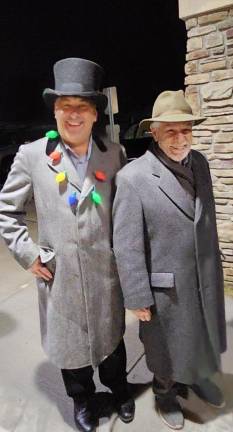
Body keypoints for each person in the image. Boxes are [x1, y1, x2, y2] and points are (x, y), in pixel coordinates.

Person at [0, 57, 135, 432]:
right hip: (60, 276)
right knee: (70, 347)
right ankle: (82, 400)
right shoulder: (32, 156)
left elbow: (126, 211)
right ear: (55, 112)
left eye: (82, 107)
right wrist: (27, 255)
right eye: (65, 107)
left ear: (95, 114)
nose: (73, 115)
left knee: (111, 339)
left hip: (105, 273)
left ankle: (119, 388)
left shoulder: (114, 154)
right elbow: (5, 210)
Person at [112, 90, 226, 430]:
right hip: (166, 287)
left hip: (203, 275)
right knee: (166, 349)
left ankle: (198, 376)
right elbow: (127, 244)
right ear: (154, 132)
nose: (180, 139)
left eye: (186, 130)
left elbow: (203, 219)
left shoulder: (200, 163)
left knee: (203, 336)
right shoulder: (133, 178)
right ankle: (165, 392)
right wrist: (136, 297)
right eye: (171, 131)